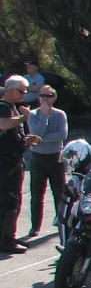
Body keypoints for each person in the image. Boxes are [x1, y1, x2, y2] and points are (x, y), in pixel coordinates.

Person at [24, 85, 67, 239]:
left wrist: (41, 139)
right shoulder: (33, 115)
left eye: (48, 96)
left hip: (55, 158)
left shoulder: (60, 114)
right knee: (37, 195)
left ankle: (61, 222)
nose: (45, 99)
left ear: (54, 98)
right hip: (38, 159)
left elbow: (62, 135)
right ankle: (35, 226)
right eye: (42, 95)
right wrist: (44, 116)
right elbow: (35, 134)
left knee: (59, 193)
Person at [0, 75, 32, 253]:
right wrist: (22, 118)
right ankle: (6, 241)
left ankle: (8, 236)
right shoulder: (3, 107)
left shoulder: (12, 107)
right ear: (10, 90)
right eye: (21, 91)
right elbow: (3, 124)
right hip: (6, 162)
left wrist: (26, 140)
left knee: (13, 200)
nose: (24, 94)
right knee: (9, 200)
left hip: (14, 160)